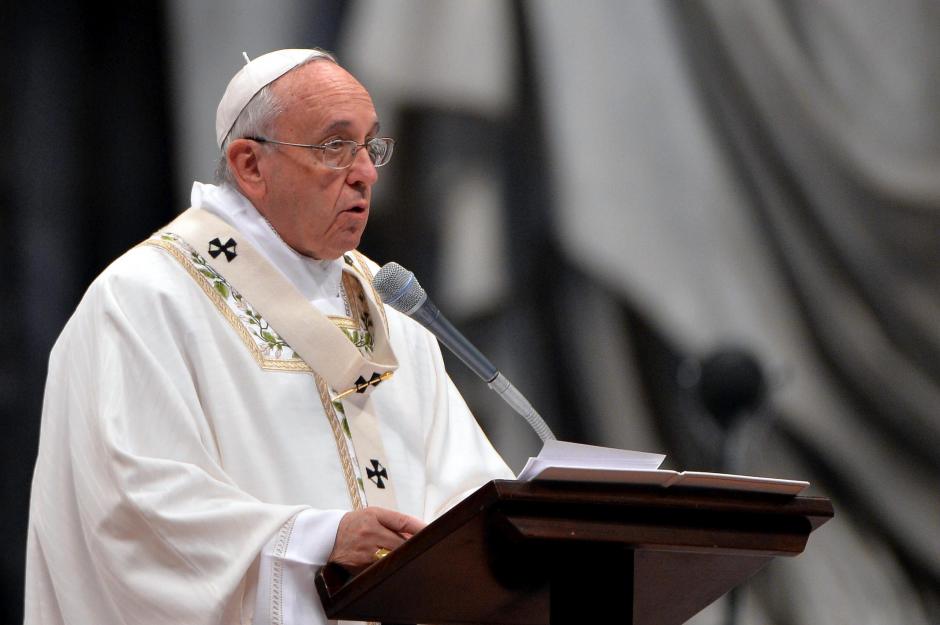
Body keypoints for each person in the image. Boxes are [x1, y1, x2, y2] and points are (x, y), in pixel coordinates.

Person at [24, 48, 512, 625]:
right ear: (250, 165)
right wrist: (317, 538)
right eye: (336, 146)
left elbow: (470, 496)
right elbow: (127, 515)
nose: (366, 172)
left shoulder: (393, 313)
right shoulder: (144, 300)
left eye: (371, 145)